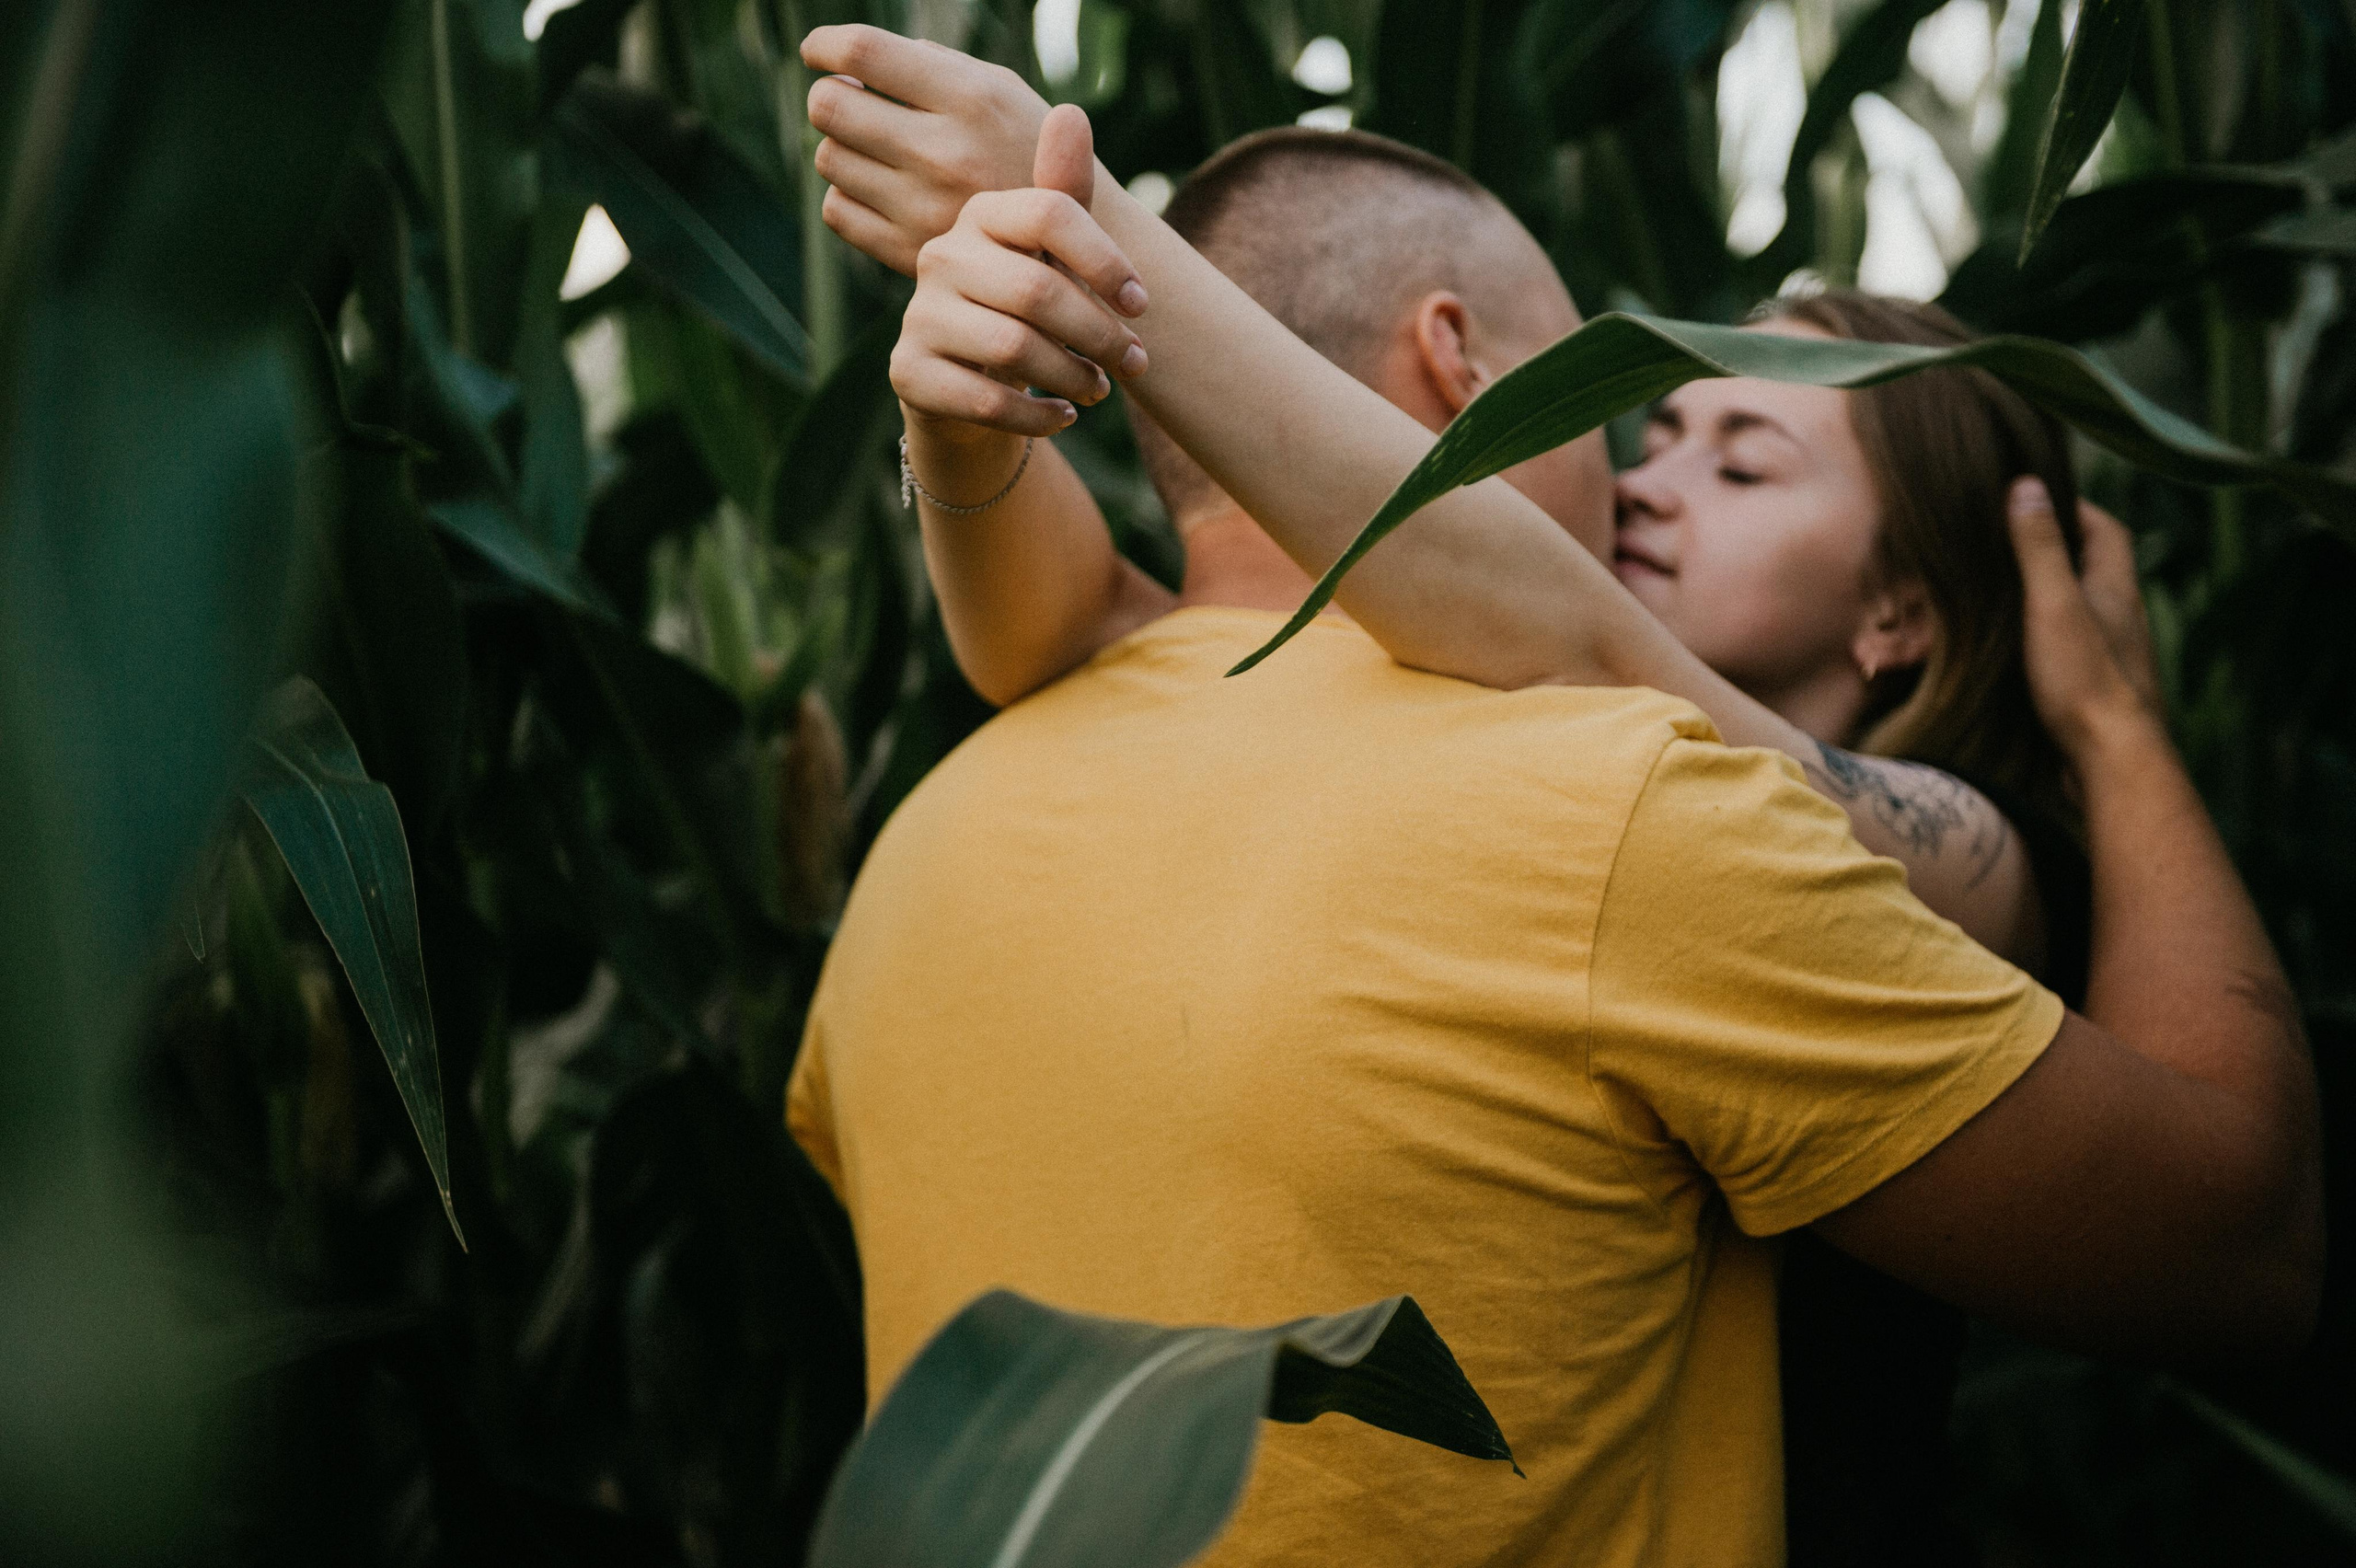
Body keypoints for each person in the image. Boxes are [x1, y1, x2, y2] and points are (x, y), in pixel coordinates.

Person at [787, 29, 2321, 1568]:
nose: (1643, 471)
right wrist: (2122, 724)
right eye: (1619, 386)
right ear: (1460, 360)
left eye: (1740, 455)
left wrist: (1018, 342)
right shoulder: (1631, 818)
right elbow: (2243, 1251)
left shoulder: (926, 840)